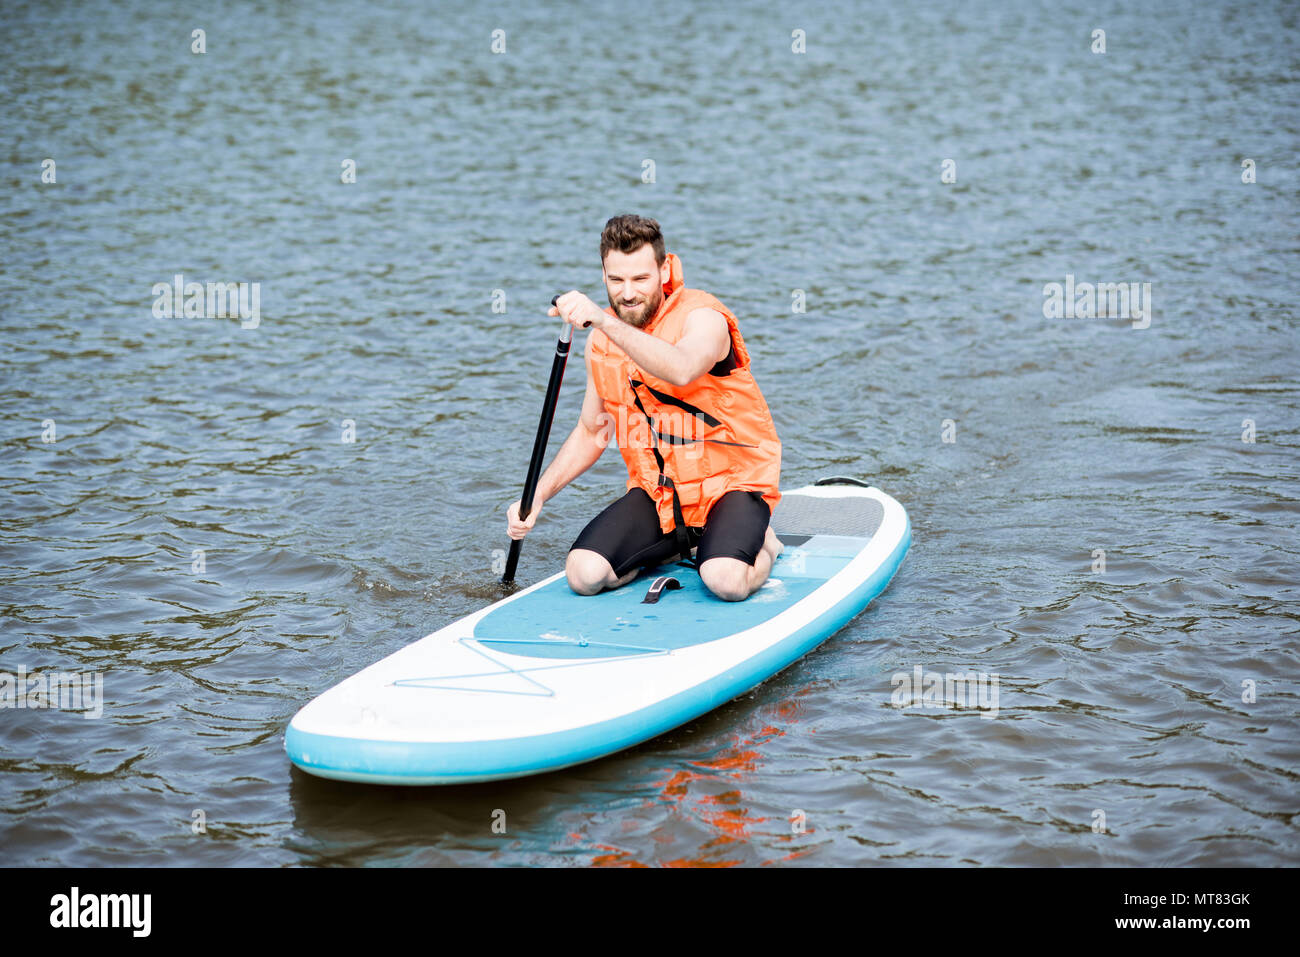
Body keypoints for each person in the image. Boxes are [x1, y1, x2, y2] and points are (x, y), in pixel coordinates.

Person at [506, 214, 783, 601]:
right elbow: (592, 431)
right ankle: (672, 547)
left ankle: (765, 544)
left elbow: (683, 368)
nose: (628, 293)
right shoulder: (601, 344)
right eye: (616, 280)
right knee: (583, 575)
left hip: (732, 486)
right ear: (603, 275)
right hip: (661, 495)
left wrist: (604, 321)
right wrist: (537, 495)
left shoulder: (704, 318)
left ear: (664, 269)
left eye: (640, 279)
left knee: (724, 580)